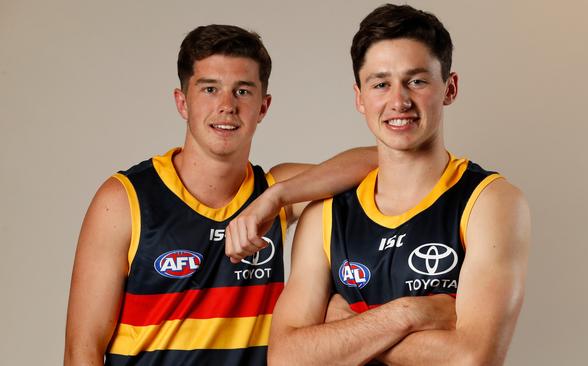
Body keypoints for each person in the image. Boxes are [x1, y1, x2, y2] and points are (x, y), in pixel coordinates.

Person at [64, 24, 377, 365]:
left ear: (263, 106)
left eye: (243, 91)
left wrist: (275, 198)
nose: (227, 105)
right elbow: (83, 350)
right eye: (210, 89)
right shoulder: (125, 200)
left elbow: (383, 161)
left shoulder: (272, 192)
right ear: (182, 103)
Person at [268, 4, 531, 365]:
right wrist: (409, 314)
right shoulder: (326, 212)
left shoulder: (490, 202)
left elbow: (474, 358)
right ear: (360, 97)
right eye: (380, 84)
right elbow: (288, 358)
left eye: (417, 81)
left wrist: (347, 327)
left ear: (449, 88)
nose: (399, 101)